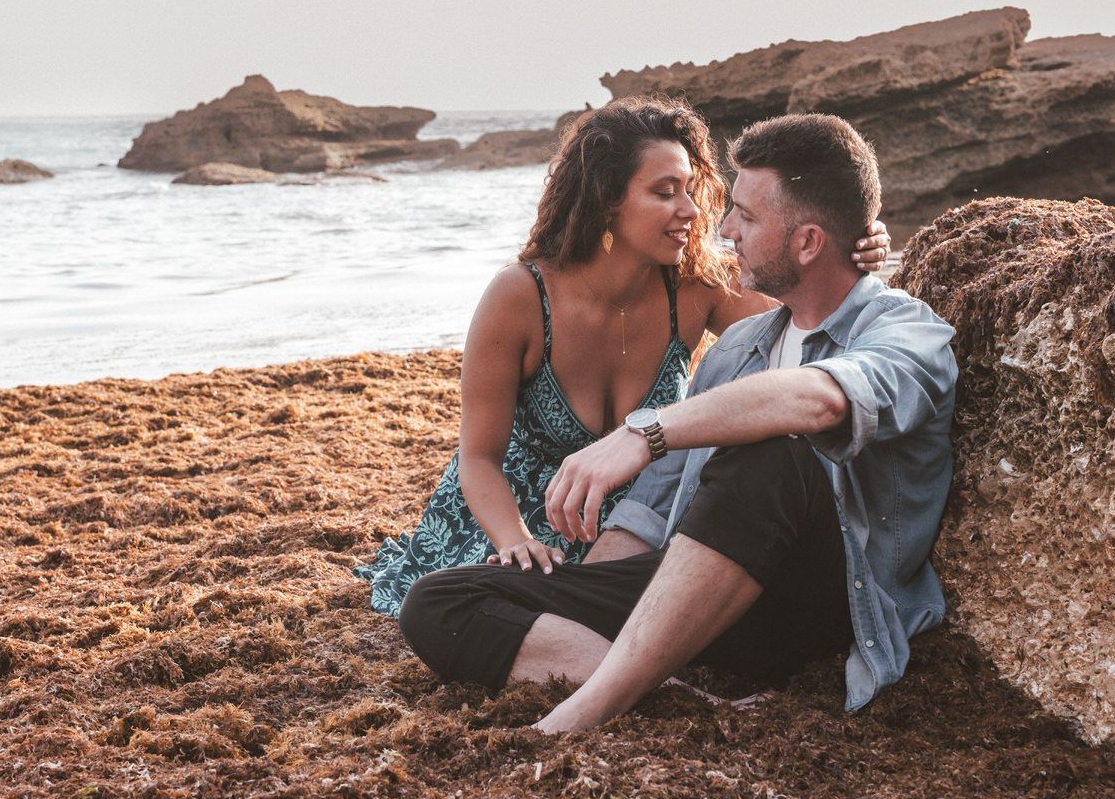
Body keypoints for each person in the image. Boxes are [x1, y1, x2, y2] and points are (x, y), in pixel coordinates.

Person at [397, 113, 957, 732]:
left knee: (770, 454)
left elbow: (818, 400)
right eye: (678, 195)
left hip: (820, 600)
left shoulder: (906, 332)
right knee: (439, 601)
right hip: (708, 592)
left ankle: (584, 712)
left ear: (806, 241)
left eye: (744, 215)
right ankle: (667, 688)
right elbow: (653, 505)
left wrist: (644, 431)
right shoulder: (740, 347)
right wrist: (591, 598)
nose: (719, 228)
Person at [355, 99, 893, 617]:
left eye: (690, 189)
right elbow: (477, 458)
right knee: (485, 601)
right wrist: (516, 540)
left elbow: (813, 321)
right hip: (520, 514)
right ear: (607, 201)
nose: (692, 210)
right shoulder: (520, 297)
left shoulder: (696, 286)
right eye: (664, 193)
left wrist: (850, 251)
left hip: (640, 512)